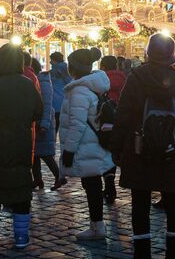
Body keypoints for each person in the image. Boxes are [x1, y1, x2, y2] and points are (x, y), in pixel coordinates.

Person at [110, 35, 175, 258]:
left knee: (140, 202)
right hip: (172, 149)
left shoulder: (137, 77)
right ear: (172, 55)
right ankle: (174, 249)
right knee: (172, 200)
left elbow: (123, 114)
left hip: (139, 148)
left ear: (148, 53)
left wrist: (116, 147)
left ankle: (142, 251)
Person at [0, 44, 42, 250]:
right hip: (20, 145)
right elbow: (38, 113)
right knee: (20, 191)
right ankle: (21, 237)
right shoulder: (28, 85)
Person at [58, 47, 114, 241]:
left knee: (92, 186)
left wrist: (69, 151)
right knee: (92, 184)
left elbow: (77, 123)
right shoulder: (92, 85)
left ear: (72, 68)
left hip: (85, 144)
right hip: (92, 143)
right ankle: (96, 225)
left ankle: (97, 226)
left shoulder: (79, 90)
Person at [31, 58, 63, 191]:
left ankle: (59, 177)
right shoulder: (40, 79)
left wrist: (44, 123)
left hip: (44, 122)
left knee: (46, 155)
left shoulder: (43, 81)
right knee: (36, 155)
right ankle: (38, 180)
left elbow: (47, 103)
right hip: (39, 122)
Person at [99, 55, 126, 204]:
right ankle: (112, 181)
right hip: (120, 118)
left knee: (104, 150)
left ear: (103, 65)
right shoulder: (123, 78)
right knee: (115, 150)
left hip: (105, 119)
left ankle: (109, 185)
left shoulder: (101, 78)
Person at [50, 51, 72, 135]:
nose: (50, 62)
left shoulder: (53, 72)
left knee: (54, 129)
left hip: (54, 103)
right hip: (64, 101)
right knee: (64, 129)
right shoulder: (67, 70)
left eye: (51, 60)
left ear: (55, 60)